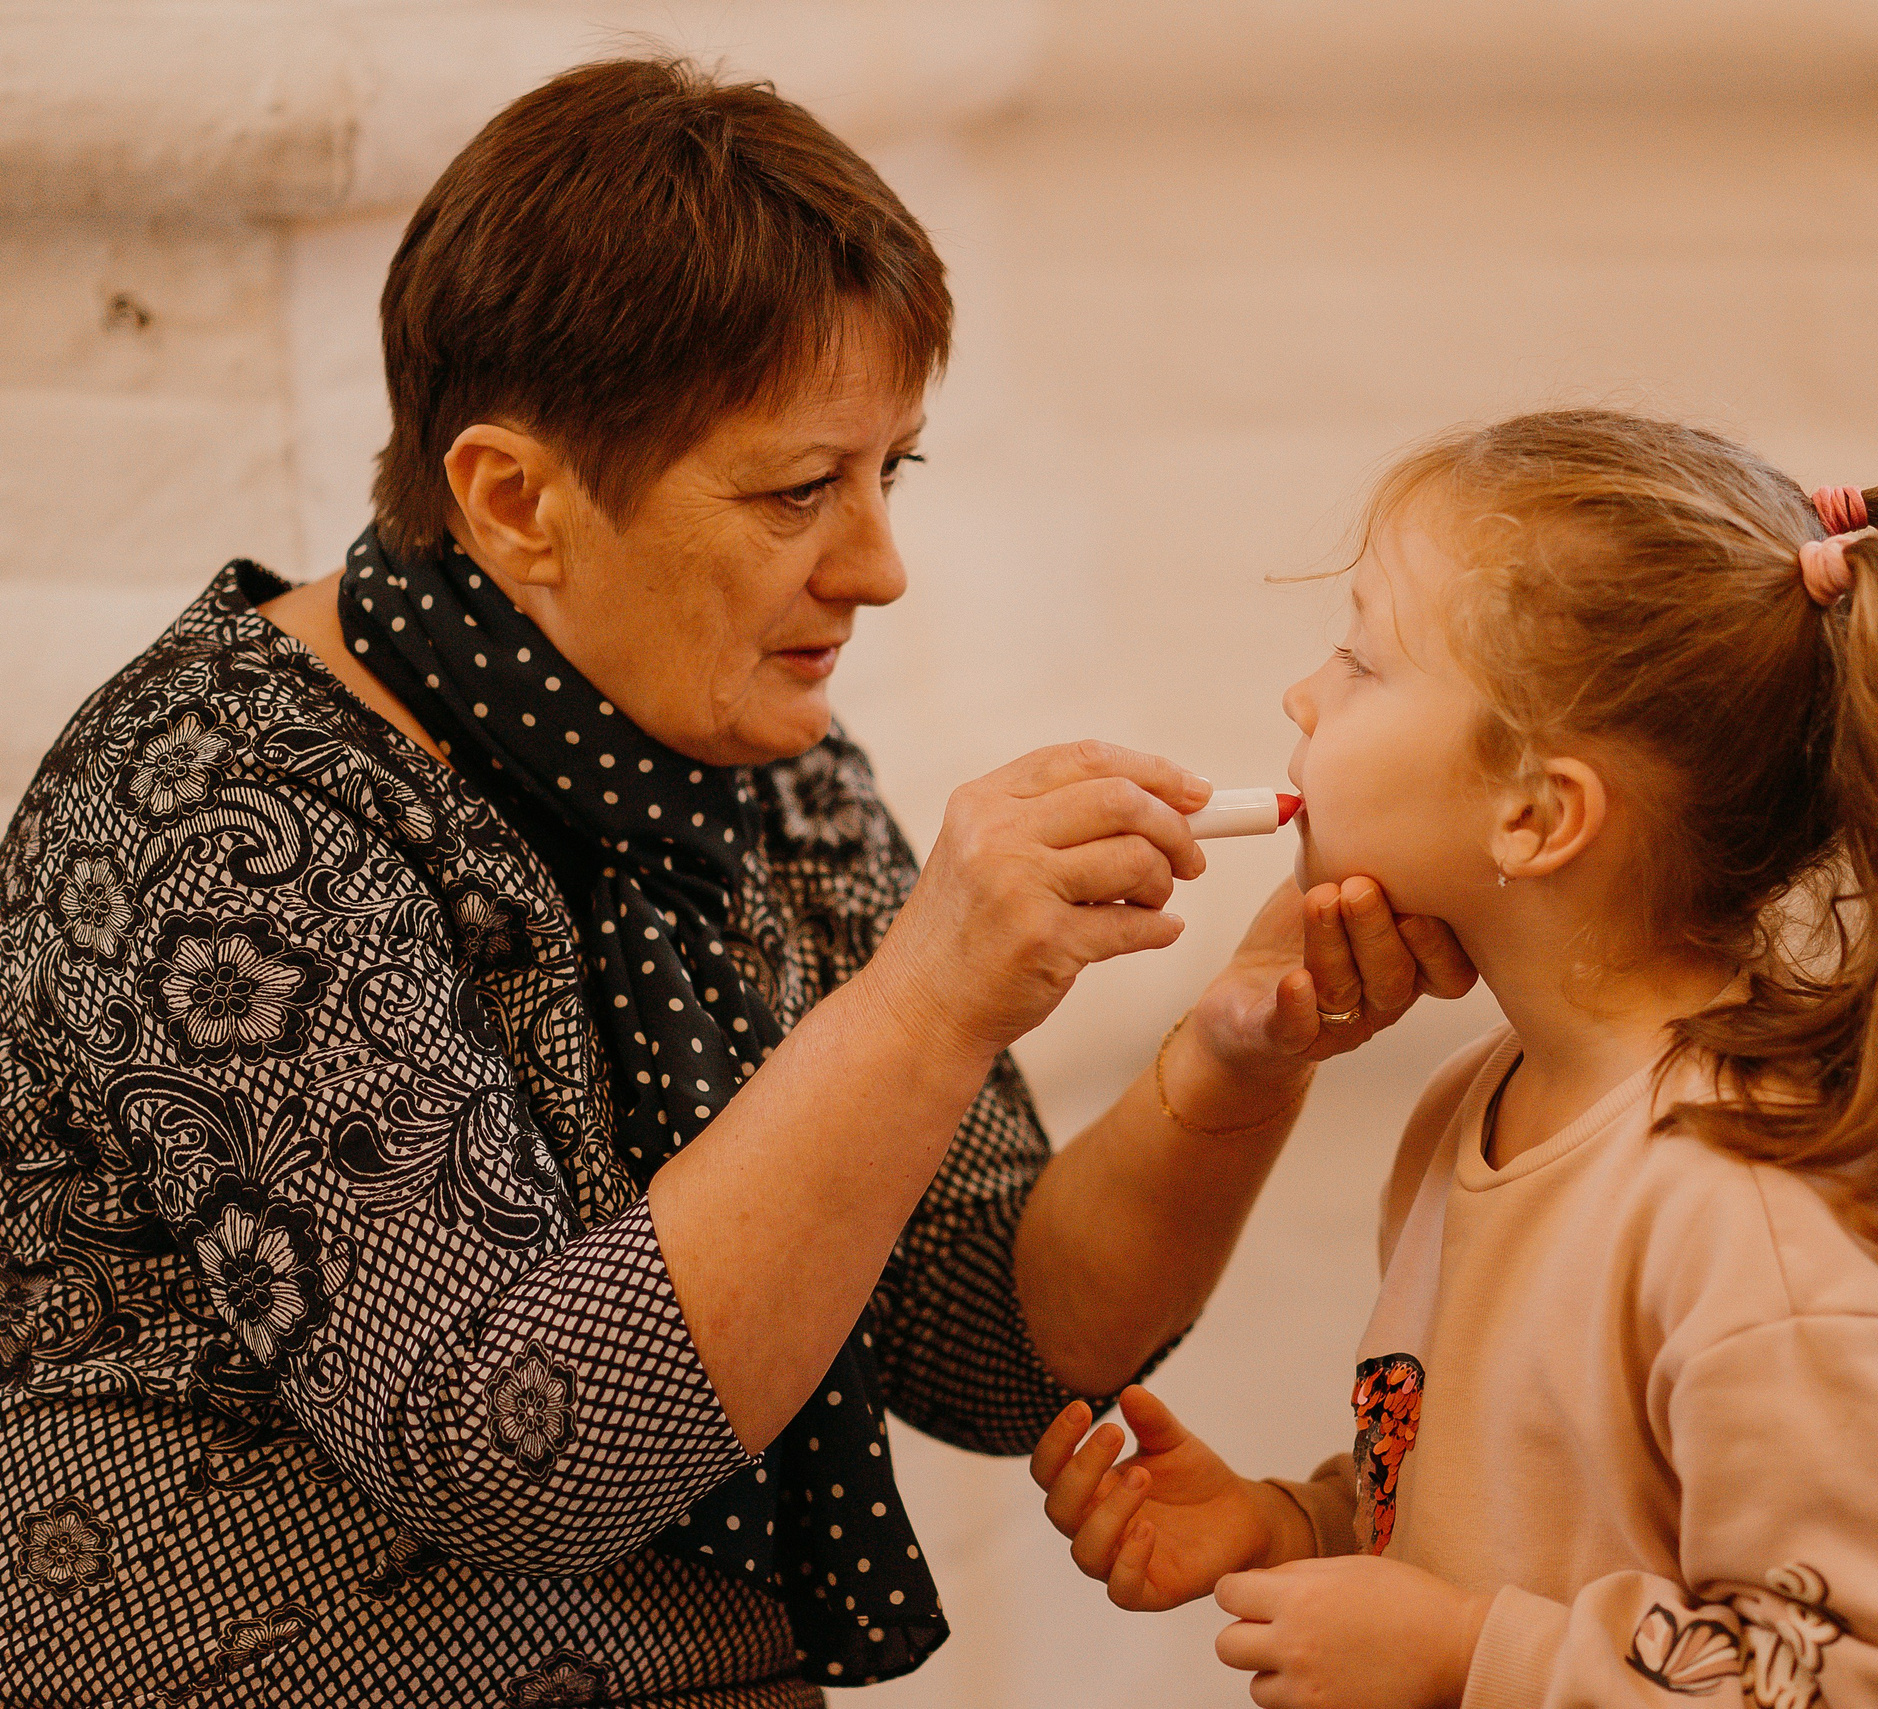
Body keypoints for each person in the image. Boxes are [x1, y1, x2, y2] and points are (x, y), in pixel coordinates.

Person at [0, 57, 1471, 1708]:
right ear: (515, 499)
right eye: (797, 491)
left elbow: (983, 1340)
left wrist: (1232, 1058)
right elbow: (504, 1447)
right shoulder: (226, 812)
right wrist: (926, 997)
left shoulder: (743, 747)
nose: (879, 567)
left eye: (890, 472)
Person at [1031, 411, 1878, 1708]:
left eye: (1359, 658)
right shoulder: (1481, 1106)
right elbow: (1530, 1508)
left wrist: (1467, 1658)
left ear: (1537, 812)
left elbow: (1875, 1670)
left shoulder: (1757, 1222)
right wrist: (1291, 1523)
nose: (1302, 693)